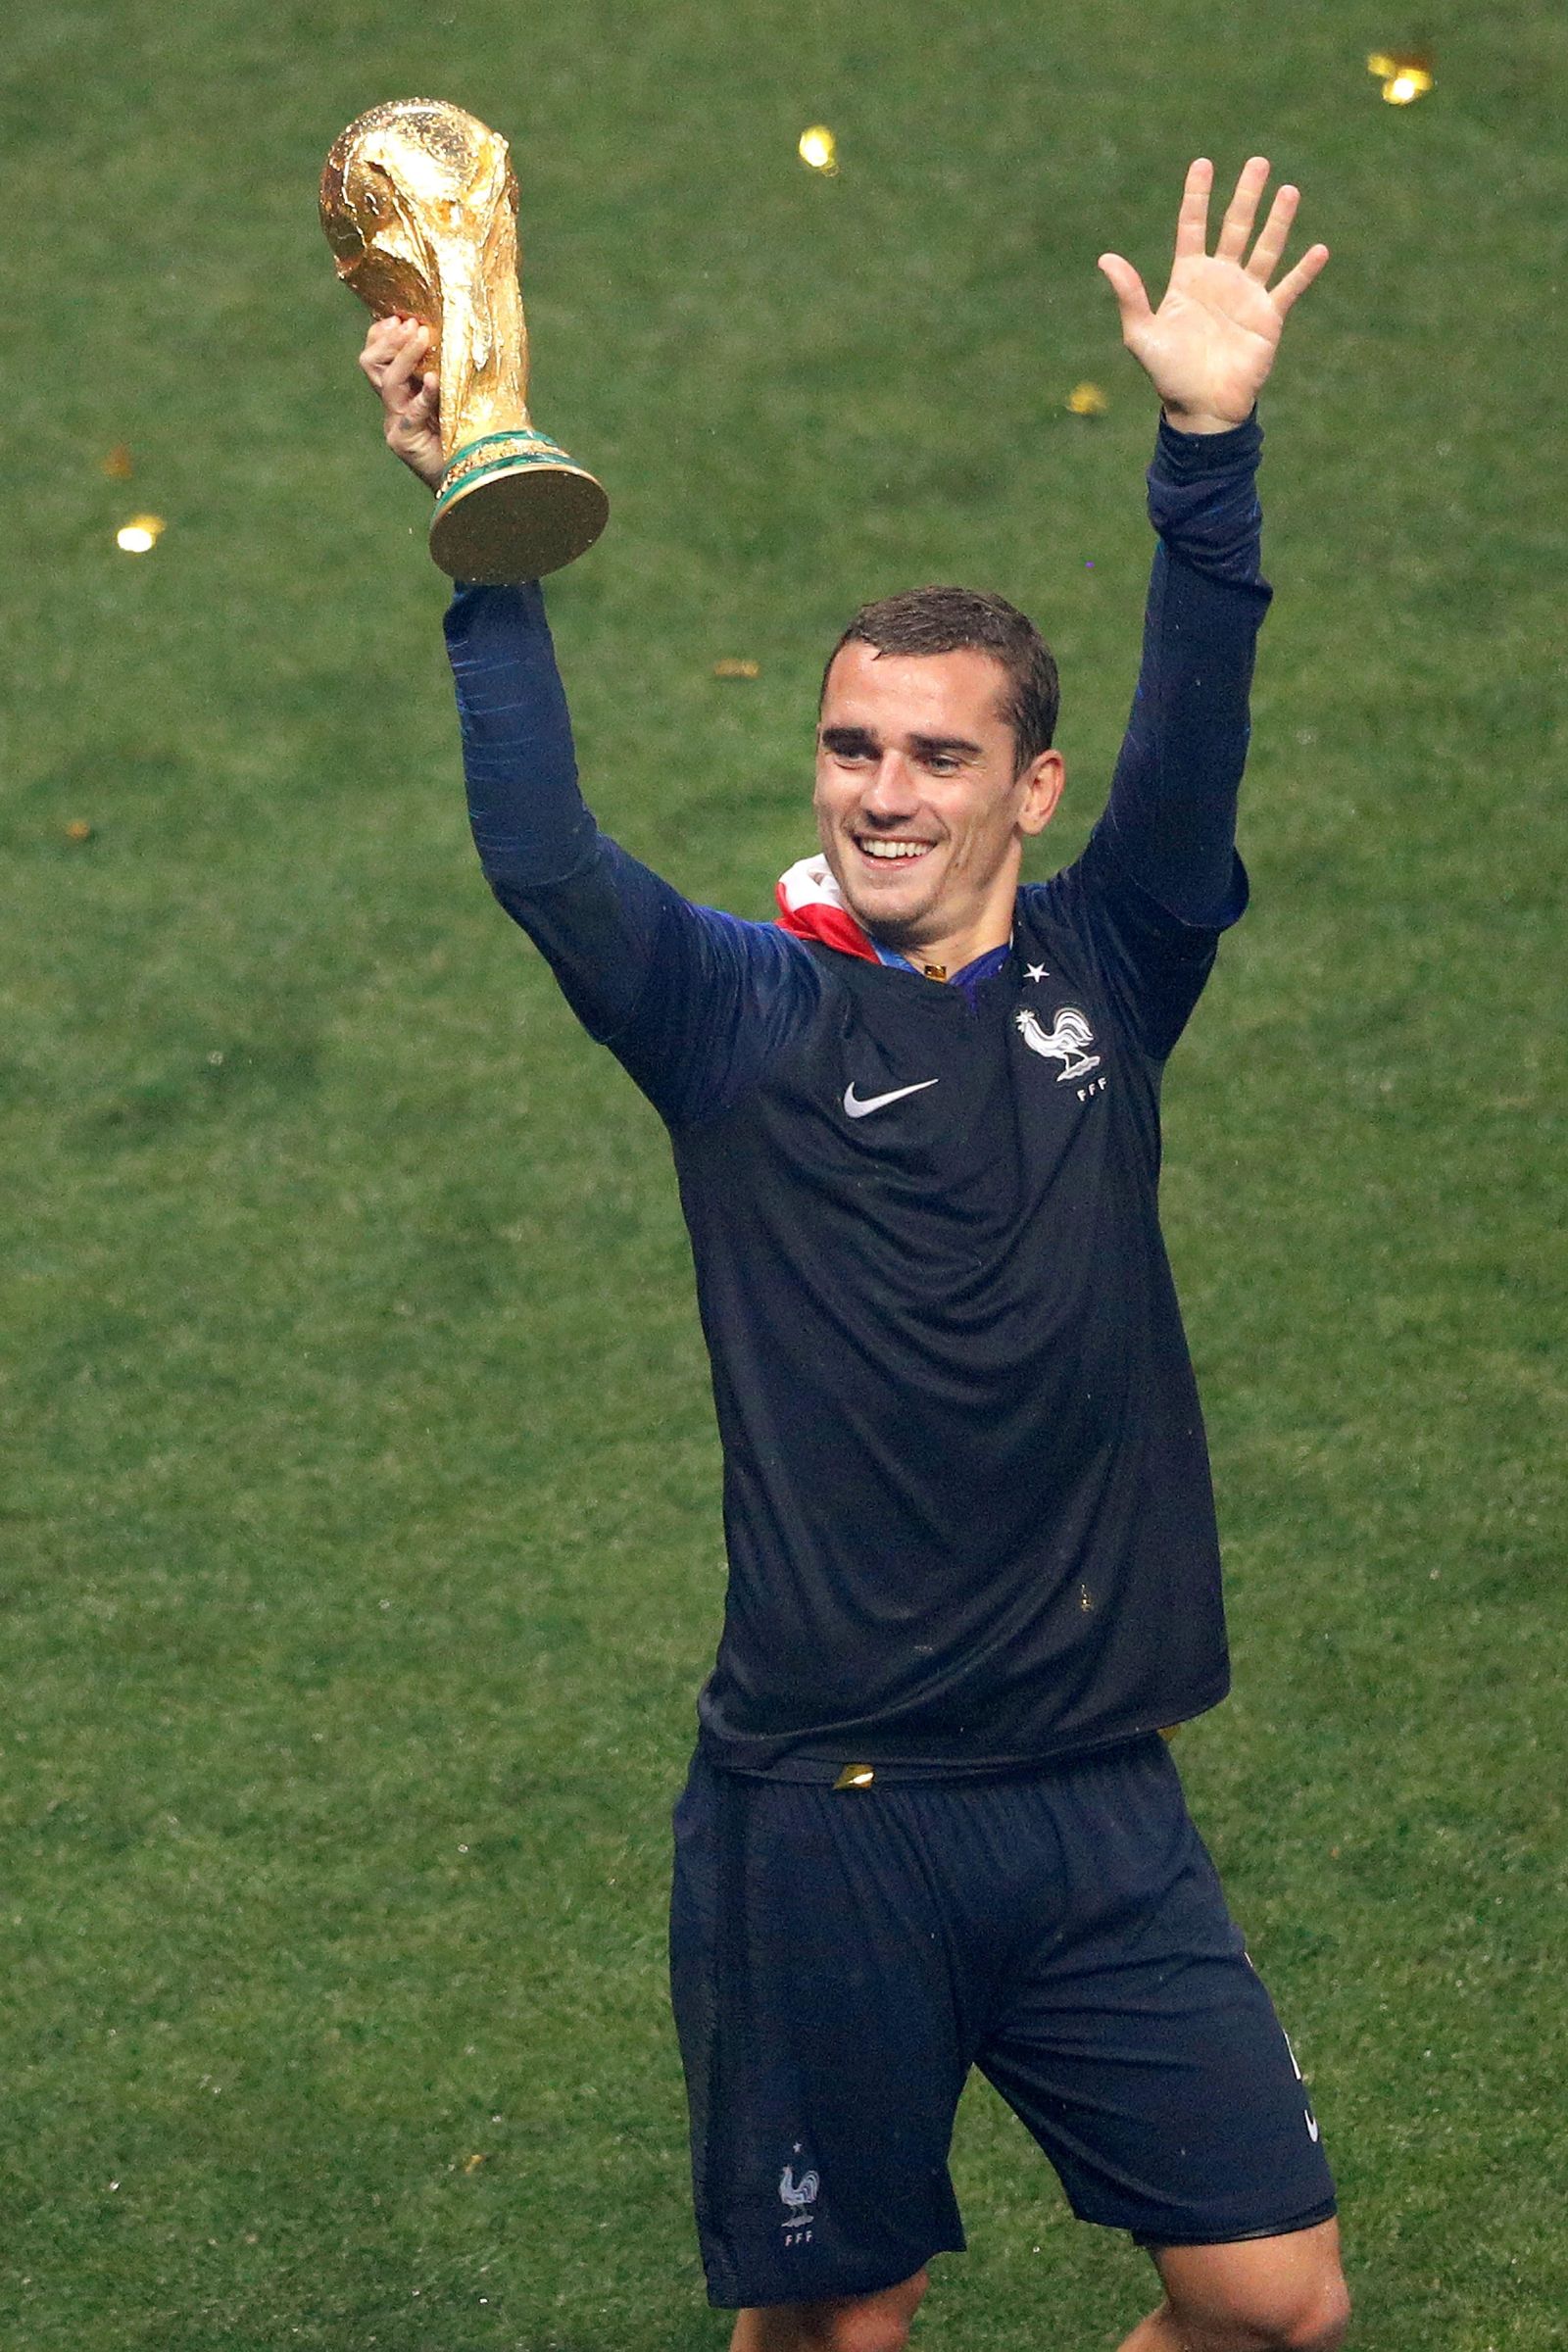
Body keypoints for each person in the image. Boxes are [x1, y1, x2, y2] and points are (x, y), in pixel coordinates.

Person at [359, 156, 1348, 2352]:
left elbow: (1198, 739)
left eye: (935, 757)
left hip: (1096, 1796)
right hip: (831, 1812)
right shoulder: (741, 1021)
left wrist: (1206, 448)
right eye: (848, 746)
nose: (881, 792)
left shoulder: (1113, 964)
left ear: (1028, 789)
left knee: (1275, 2303)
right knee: (834, 2329)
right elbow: (546, 858)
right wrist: (482, 543)